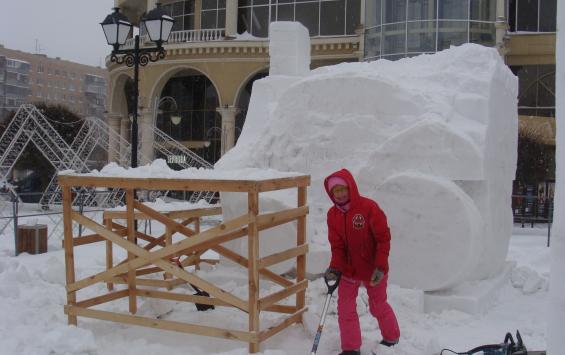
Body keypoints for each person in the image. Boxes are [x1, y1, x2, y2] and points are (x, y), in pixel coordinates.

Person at [323, 168, 400, 355]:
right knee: (345, 307)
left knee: (378, 304)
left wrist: (380, 266)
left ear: (351, 187)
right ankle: (350, 348)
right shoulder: (332, 215)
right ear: (331, 193)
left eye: (343, 189)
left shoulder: (368, 208)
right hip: (349, 270)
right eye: (335, 191)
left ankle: (392, 338)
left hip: (374, 268)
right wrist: (335, 267)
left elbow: (383, 238)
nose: (340, 194)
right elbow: (337, 246)